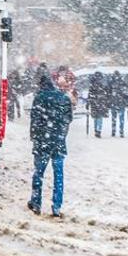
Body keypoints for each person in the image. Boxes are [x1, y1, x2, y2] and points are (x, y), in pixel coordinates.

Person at [27, 74, 73, 218]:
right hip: (58, 142)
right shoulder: (64, 98)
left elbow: (34, 120)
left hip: (42, 142)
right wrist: (61, 134)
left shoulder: (39, 98)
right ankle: (56, 206)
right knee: (58, 175)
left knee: (39, 173)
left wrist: (34, 137)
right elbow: (68, 119)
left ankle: (36, 203)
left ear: (41, 85)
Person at [108, 71, 128, 138]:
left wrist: (109, 102)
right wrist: (127, 102)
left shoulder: (111, 83)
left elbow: (108, 94)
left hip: (113, 103)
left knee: (114, 118)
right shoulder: (123, 83)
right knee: (121, 118)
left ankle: (113, 131)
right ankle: (121, 131)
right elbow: (127, 93)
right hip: (121, 103)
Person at [87, 72, 109, 138]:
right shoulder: (102, 85)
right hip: (101, 103)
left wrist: (88, 103)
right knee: (99, 117)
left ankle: (96, 130)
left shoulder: (92, 86)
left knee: (95, 118)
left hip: (94, 103)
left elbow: (89, 95)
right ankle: (98, 130)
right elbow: (105, 94)